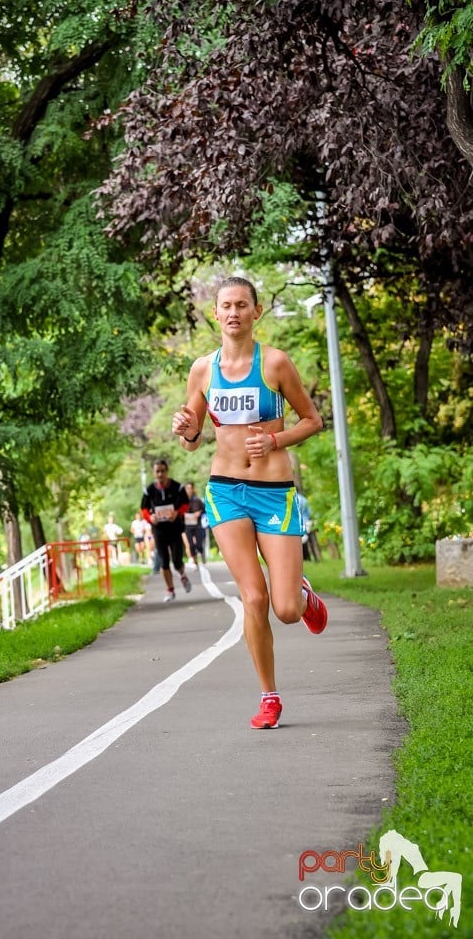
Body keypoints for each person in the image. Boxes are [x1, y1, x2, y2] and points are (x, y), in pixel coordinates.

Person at [171, 275, 328, 730]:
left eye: (243, 304)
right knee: (253, 598)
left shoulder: (275, 363)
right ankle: (269, 696)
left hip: (274, 495)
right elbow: (193, 439)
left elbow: (312, 420)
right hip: (225, 491)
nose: (234, 312)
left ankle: (301, 594)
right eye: (226, 305)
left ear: (256, 312)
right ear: (215, 314)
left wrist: (275, 440)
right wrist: (186, 431)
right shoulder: (203, 370)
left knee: (285, 610)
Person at [141, 459, 192, 602]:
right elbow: (144, 509)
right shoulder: (149, 490)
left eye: (162, 471)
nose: (160, 474)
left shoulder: (177, 487)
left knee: (176, 560)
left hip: (174, 528)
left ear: (166, 471)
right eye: (157, 471)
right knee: (164, 561)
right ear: (154, 473)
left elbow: (185, 504)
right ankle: (170, 590)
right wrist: (150, 518)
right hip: (159, 530)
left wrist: (177, 513)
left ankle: (182, 575)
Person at [184, 482, 207, 567]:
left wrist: (199, 512)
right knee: (191, 545)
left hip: (197, 525)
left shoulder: (197, 500)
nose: (188, 490)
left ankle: (202, 553)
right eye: (187, 488)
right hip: (187, 526)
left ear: (193, 489)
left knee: (199, 544)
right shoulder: (182, 501)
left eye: (190, 488)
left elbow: (205, 509)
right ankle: (195, 562)